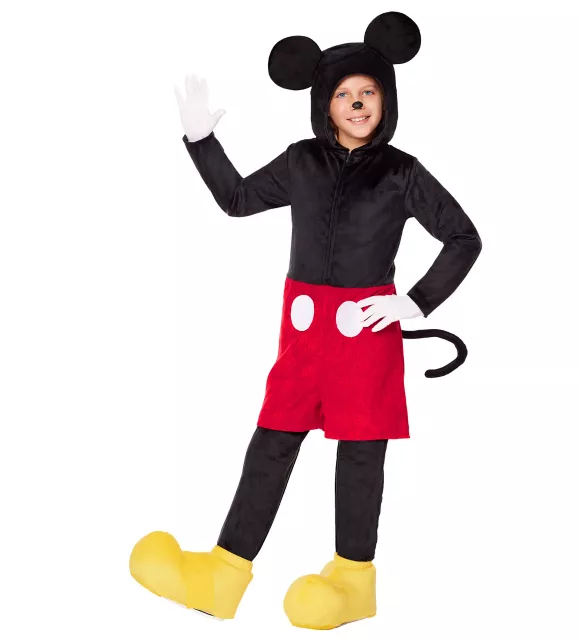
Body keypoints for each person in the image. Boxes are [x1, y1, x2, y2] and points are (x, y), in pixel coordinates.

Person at [129, 11, 482, 630]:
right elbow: (237, 199)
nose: (357, 103)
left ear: (387, 98)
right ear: (323, 103)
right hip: (303, 336)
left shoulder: (402, 172)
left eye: (368, 91)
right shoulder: (301, 161)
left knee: (360, 454)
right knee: (271, 443)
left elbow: (463, 237)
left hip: (366, 334)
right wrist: (201, 142)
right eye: (344, 94)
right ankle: (221, 575)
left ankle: (353, 581)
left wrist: (415, 302)